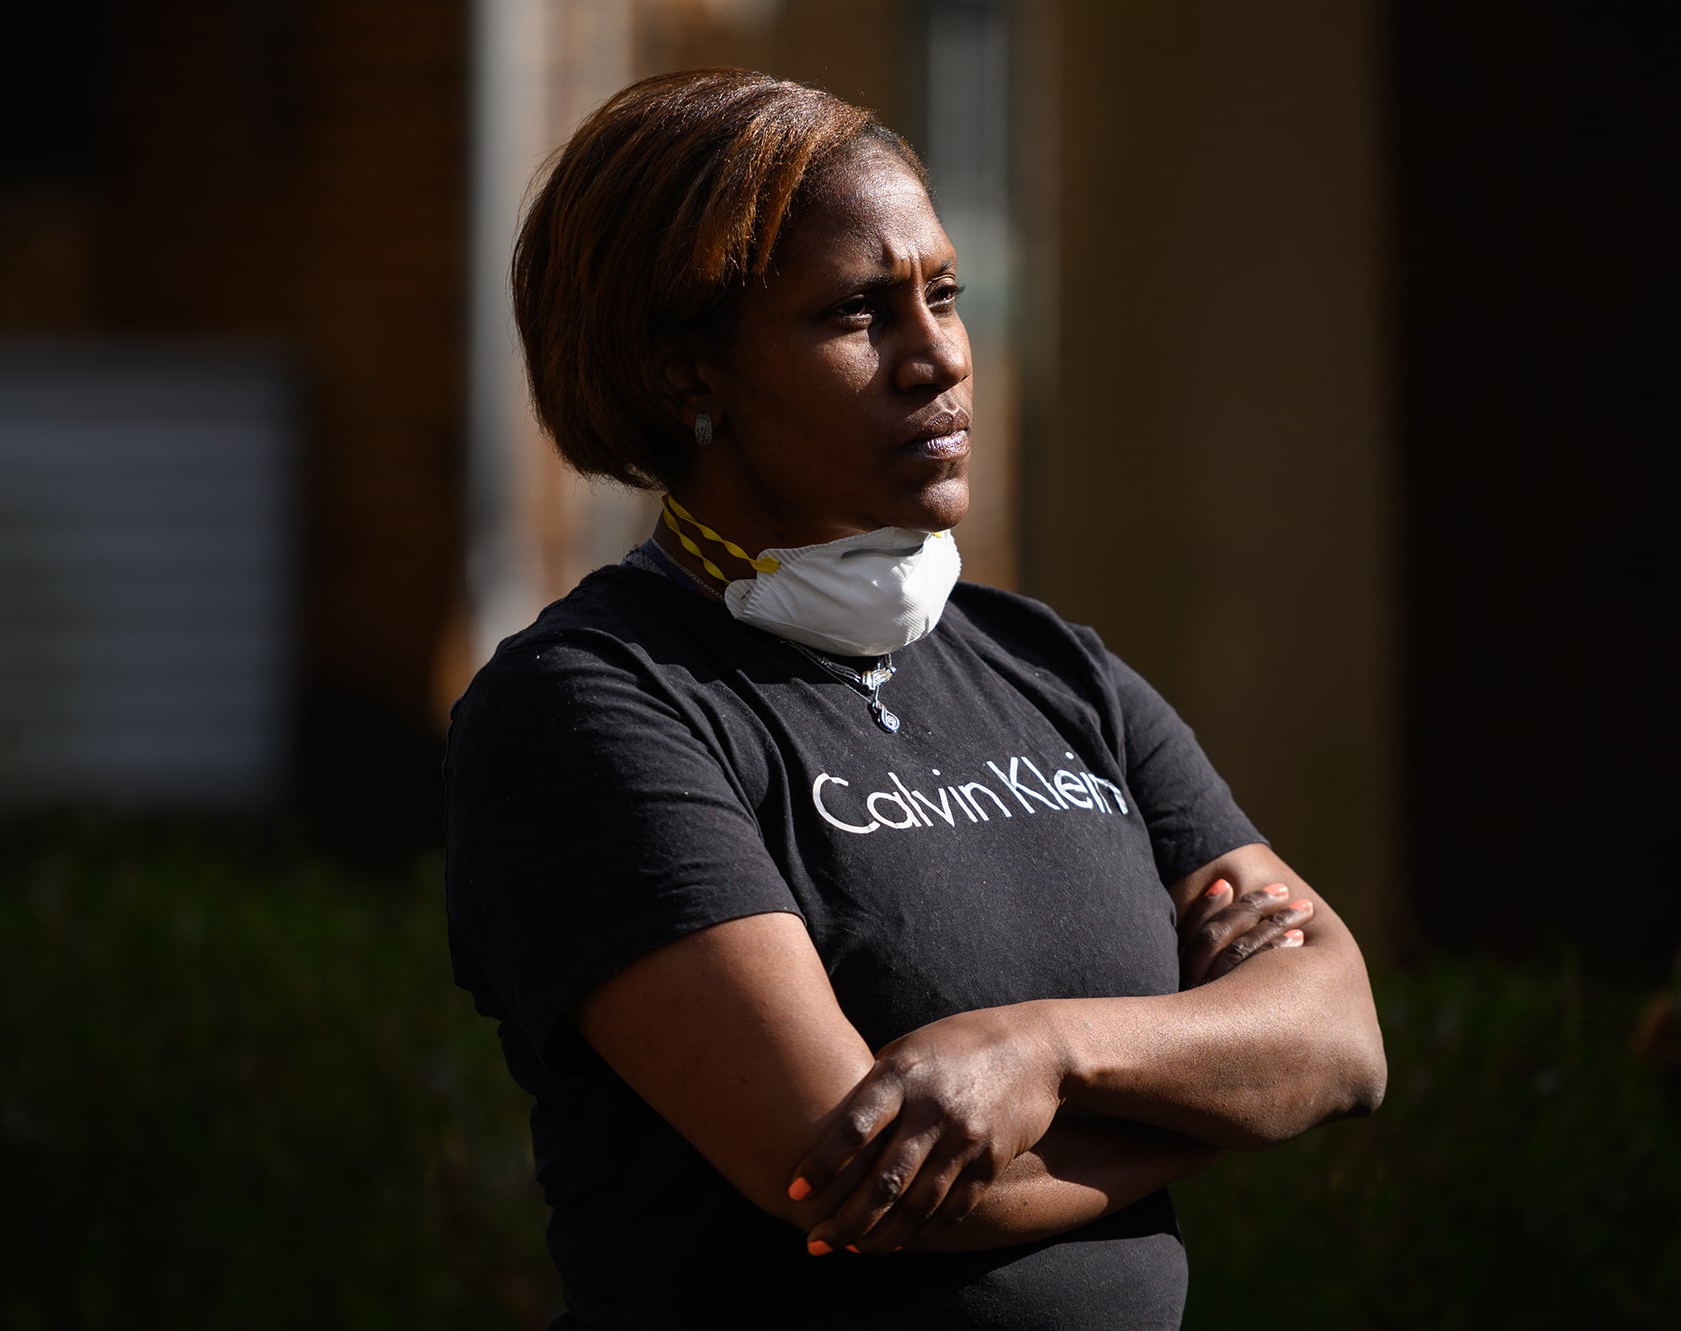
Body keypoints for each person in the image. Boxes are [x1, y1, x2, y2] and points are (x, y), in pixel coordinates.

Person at [445, 68, 1386, 1330]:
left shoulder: (1051, 668)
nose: (937, 354)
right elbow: (855, 1174)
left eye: (942, 293)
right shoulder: (593, 706)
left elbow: (1338, 1033)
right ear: (687, 374)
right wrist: (1222, 1092)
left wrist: (1043, 1052)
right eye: (856, 312)